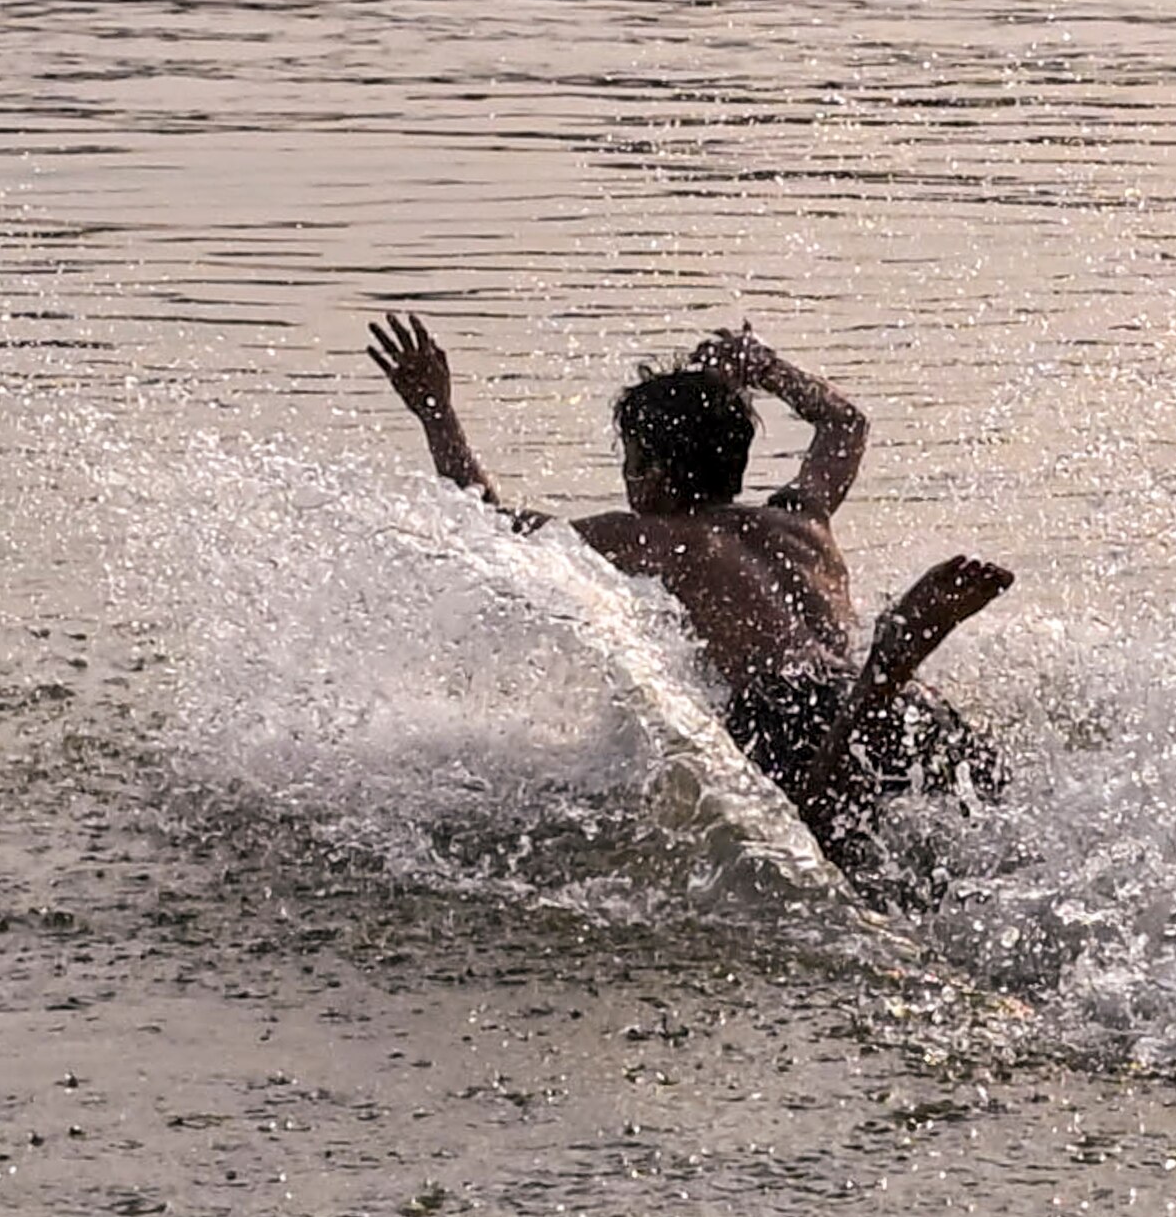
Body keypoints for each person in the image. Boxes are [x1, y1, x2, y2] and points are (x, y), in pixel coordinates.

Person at [363, 315, 1006, 880]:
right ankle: (888, 668)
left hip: (785, 712)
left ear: (653, 474)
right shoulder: (804, 521)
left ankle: (887, 667)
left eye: (632, 461)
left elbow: (492, 525)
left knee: (824, 855)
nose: (628, 475)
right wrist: (767, 368)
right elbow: (844, 424)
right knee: (965, 848)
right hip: (901, 710)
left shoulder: (651, 537)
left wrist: (435, 411)